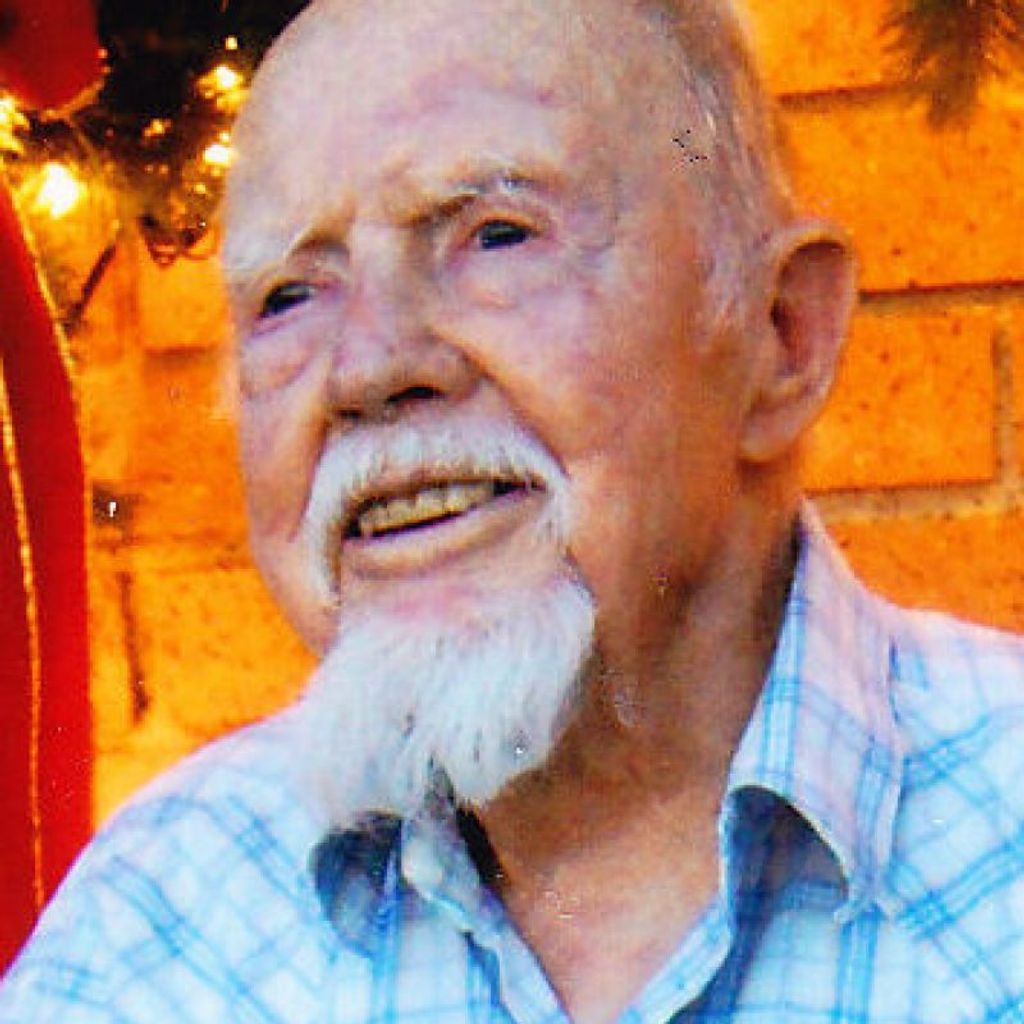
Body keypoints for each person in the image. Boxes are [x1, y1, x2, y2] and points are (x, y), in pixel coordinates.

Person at [4, 0, 1024, 1020]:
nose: (369, 367)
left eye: (495, 236)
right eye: (288, 295)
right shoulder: (162, 923)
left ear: (780, 336)